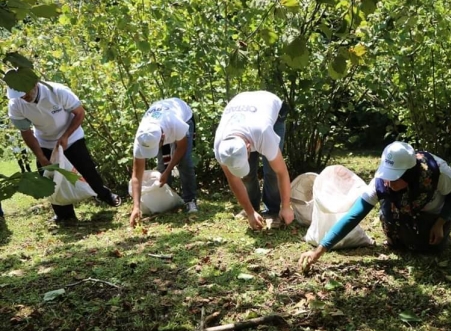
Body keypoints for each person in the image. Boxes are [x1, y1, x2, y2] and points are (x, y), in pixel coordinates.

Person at [299, 141, 451, 270]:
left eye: (395, 178)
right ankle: (400, 234)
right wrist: (319, 250)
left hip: (433, 214)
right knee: (401, 244)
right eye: (387, 177)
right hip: (405, 213)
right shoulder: (381, 182)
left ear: (409, 173)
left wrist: (441, 222)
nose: (389, 183)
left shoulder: (437, 171)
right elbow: (354, 215)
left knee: (428, 248)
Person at [6, 79, 121, 225]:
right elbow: (26, 132)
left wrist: (65, 136)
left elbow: (79, 113)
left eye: (25, 93)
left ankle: (105, 195)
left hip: (72, 137)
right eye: (20, 95)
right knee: (49, 179)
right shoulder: (15, 104)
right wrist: (41, 156)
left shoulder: (57, 91)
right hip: (44, 142)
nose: (23, 97)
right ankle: (64, 215)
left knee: (86, 169)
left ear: (34, 83)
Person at [213, 90, 293, 230]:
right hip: (243, 104)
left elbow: (281, 172)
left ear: (248, 147)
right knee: (247, 175)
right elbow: (233, 179)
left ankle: (272, 211)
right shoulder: (220, 146)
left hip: (270, 107)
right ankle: (253, 208)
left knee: (271, 171)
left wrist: (286, 207)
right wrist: (250, 212)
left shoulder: (263, 132)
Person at [129, 97, 198, 227]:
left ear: (161, 138)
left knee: (185, 163)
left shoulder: (176, 124)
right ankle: (169, 199)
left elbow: (181, 148)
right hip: (161, 123)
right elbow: (136, 176)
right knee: (162, 164)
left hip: (183, 115)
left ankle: (190, 200)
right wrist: (136, 207)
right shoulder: (142, 137)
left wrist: (168, 170)